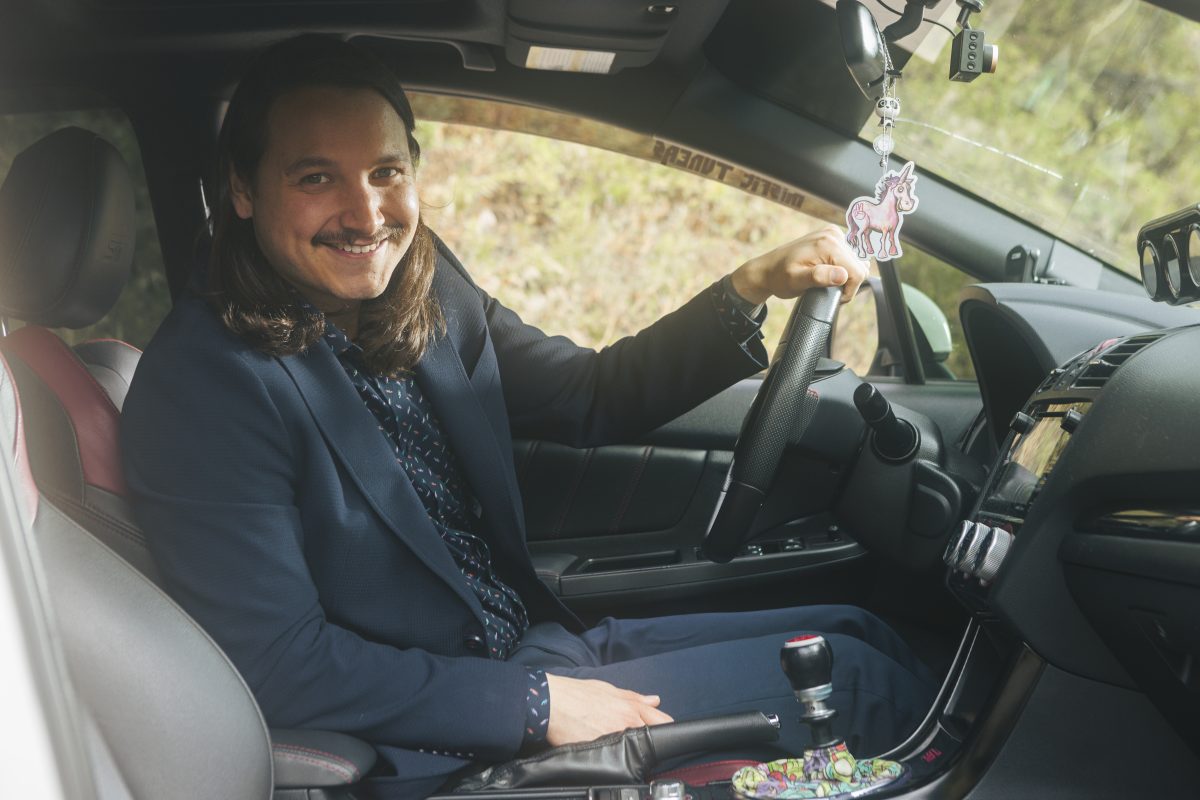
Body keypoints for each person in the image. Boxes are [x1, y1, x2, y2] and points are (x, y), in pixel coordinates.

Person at [120, 35, 936, 800]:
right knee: (863, 687)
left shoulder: (421, 283)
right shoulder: (205, 385)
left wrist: (749, 287)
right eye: (315, 179)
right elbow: (280, 663)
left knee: (859, 630)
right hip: (443, 740)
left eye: (386, 172)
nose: (366, 216)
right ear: (241, 189)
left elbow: (588, 395)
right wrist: (537, 706)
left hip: (532, 652)